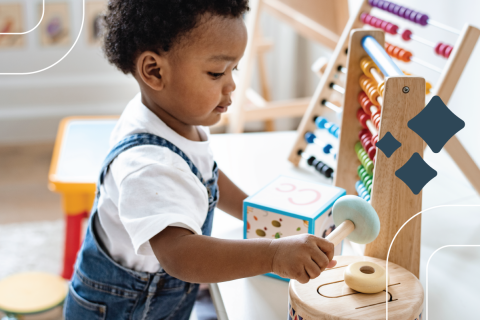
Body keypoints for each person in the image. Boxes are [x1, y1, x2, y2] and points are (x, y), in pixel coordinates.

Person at [64, 1, 336, 318]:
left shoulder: (174, 119)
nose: (232, 84)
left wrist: (255, 211)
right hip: (120, 309)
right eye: (217, 72)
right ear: (154, 71)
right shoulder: (147, 166)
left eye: (233, 69)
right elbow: (180, 255)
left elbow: (207, 176)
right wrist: (272, 255)